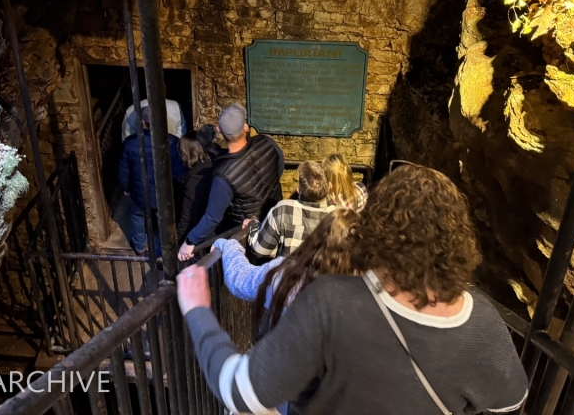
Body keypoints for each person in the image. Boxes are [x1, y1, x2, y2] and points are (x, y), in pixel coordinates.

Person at [177, 164, 529, 415]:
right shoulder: (484, 323)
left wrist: (198, 311)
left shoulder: (331, 303)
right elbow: (507, 404)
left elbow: (238, 391)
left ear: (376, 229)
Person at [212, 208, 359, 332]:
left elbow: (239, 279)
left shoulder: (286, 275)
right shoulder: (371, 290)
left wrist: (228, 246)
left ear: (317, 236)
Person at [178, 103, 284, 261]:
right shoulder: (266, 142)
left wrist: (189, 241)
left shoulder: (224, 175)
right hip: (276, 218)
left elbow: (212, 217)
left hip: (250, 233)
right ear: (246, 127)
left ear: (219, 130)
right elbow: (279, 169)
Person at [118, 106, 185, 255]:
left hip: (139, 192)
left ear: (142, 121)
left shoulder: (130, 143)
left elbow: (124, 170)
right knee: (163, 222)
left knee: (137, 216)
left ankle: (140, 246)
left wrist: (126, 187)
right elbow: (179, 171)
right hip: (163, 195)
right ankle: (162, 254)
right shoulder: (173, 142)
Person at [246, 160, 333, 259]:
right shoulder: (340, 216)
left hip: (290, 273)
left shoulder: (283, 210)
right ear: (329, 186)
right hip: (325, 273)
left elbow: (260, 250)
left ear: (299, 190)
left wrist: (252, 224)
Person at [176, 132, 215, 244]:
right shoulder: (214, 160)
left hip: (203, 232)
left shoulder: (193, 182)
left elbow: (188, 216)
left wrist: (177, 240)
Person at [121, 87, 186, 140]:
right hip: (169, 152)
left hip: (139, 154)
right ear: (164, 89)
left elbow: (126, 139)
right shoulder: (175, 106)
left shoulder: (131, 110)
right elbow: (181, 137)